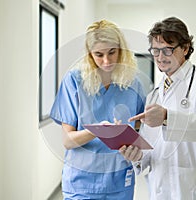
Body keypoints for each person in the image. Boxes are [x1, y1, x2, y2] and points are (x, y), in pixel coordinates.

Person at [119, 17, 196, 199]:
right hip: (161, 190)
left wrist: (167, 117)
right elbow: (151, 149)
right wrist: (136, 156)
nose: (160, 57)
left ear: (185, 48)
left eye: (168, 50)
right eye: (155, 50)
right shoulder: (155, 94)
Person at [50, 19, 145, 200]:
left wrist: (132, 143)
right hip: (81, 183)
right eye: (99, 54)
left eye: (112, 52)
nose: (106, 61)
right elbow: (68, 141)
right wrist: (98, 131)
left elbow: (141, 128)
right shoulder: (74, 81)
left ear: (121, 49)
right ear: (89, 54)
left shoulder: (133, 83)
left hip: (119, 180)